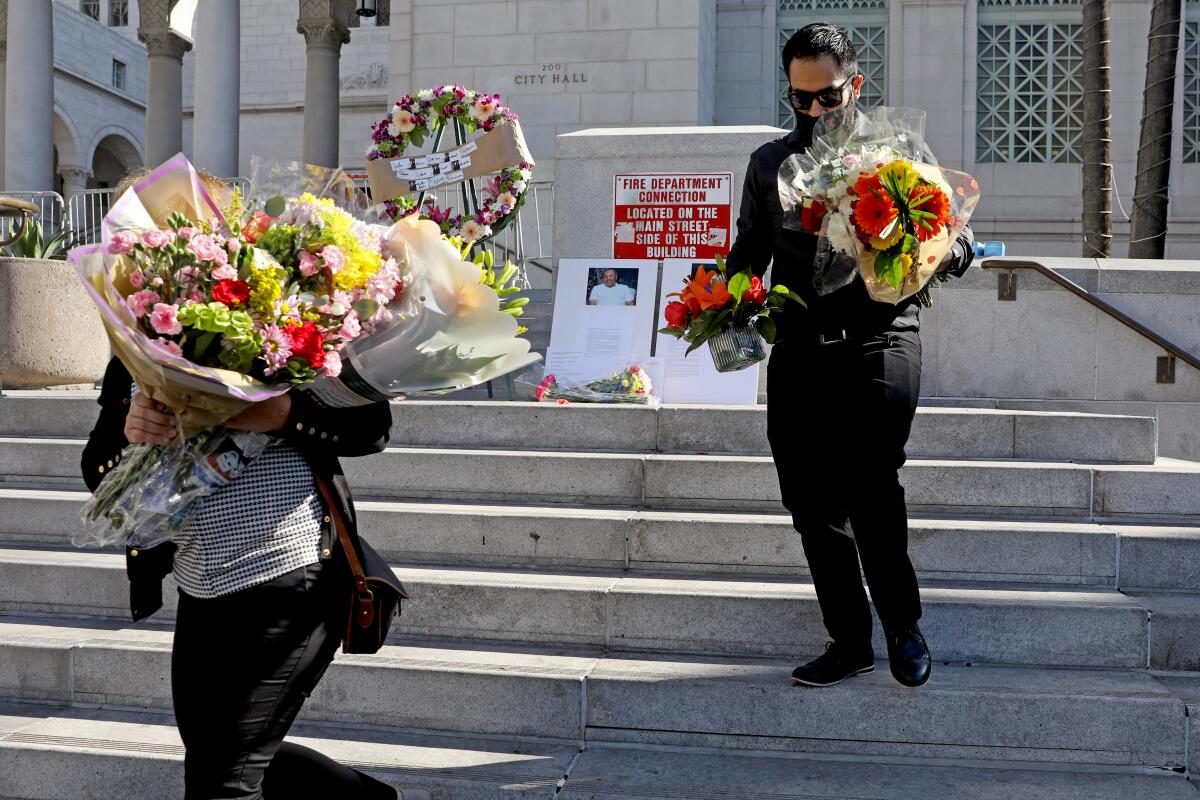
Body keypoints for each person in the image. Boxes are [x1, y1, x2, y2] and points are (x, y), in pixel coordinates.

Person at [81, 170, 428, 800]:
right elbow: (96, 465)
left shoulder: (290, 312)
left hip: (284, 567)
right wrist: (132, 431)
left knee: (223, 778)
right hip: (199, 575)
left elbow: (371, 426)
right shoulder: (134, 340)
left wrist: (285, 413)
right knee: (219, 748)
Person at [724, 24, 975, 689]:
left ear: (855, 85)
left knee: (869, 478)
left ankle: (902, 625)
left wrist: (947, 251)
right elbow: (746, 257)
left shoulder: (894, 156)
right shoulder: (768, 165)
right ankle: (849, 640)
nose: (813, 111)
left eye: (826, 97)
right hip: (800, 350)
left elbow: (954, 237)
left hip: (882, 339)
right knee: (808, 502)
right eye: (799, 99)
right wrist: (721, 312)